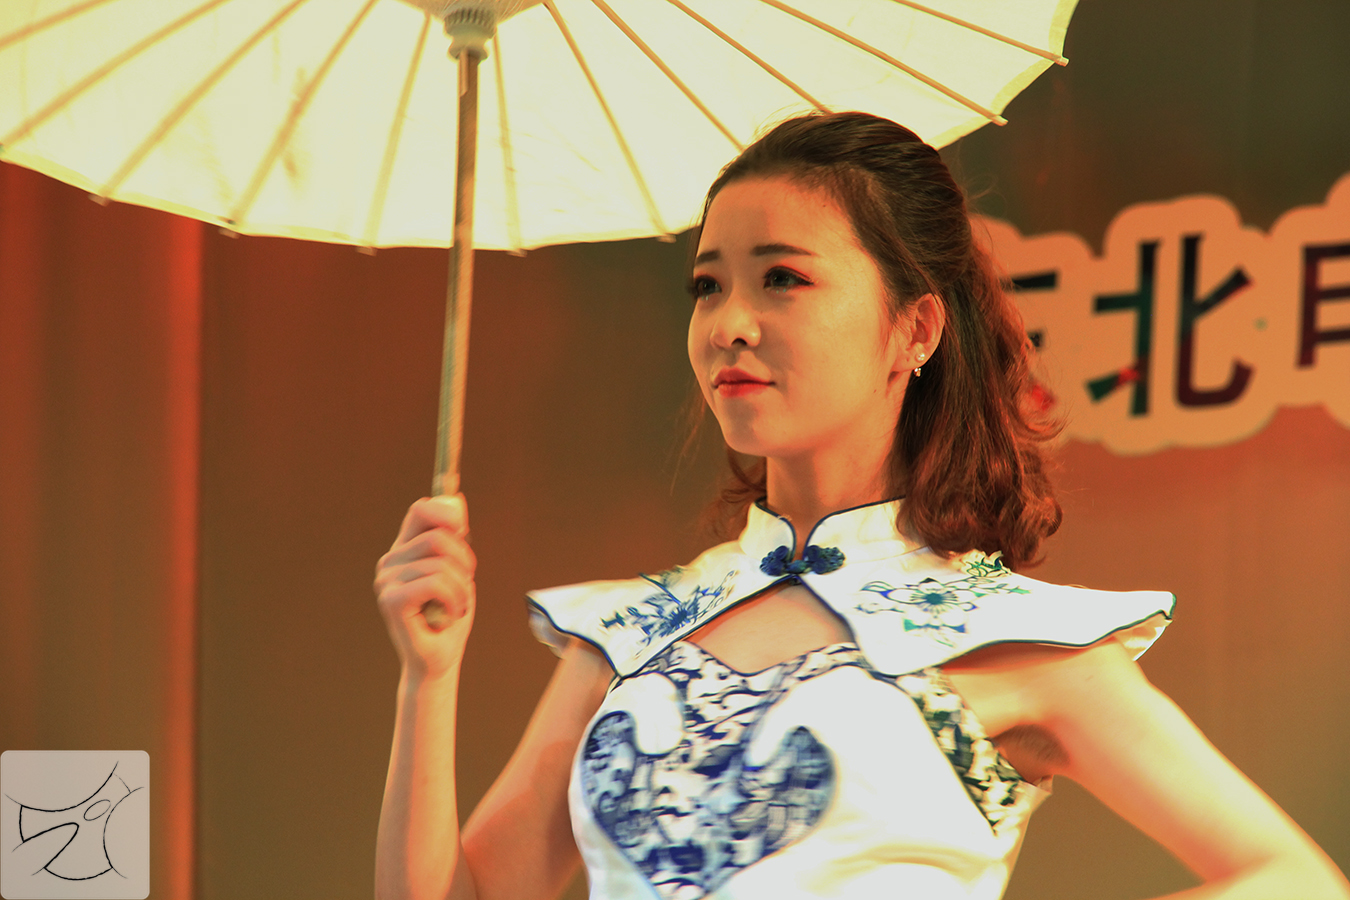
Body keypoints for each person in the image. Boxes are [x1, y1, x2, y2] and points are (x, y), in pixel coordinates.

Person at [372, 112, 1350, 900]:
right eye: (707, 286)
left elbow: (1295, 880)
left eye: (783, 279)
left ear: (914, 327)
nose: (729, 323)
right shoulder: (630, 632)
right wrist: (428, 678)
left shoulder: (1009, 638)